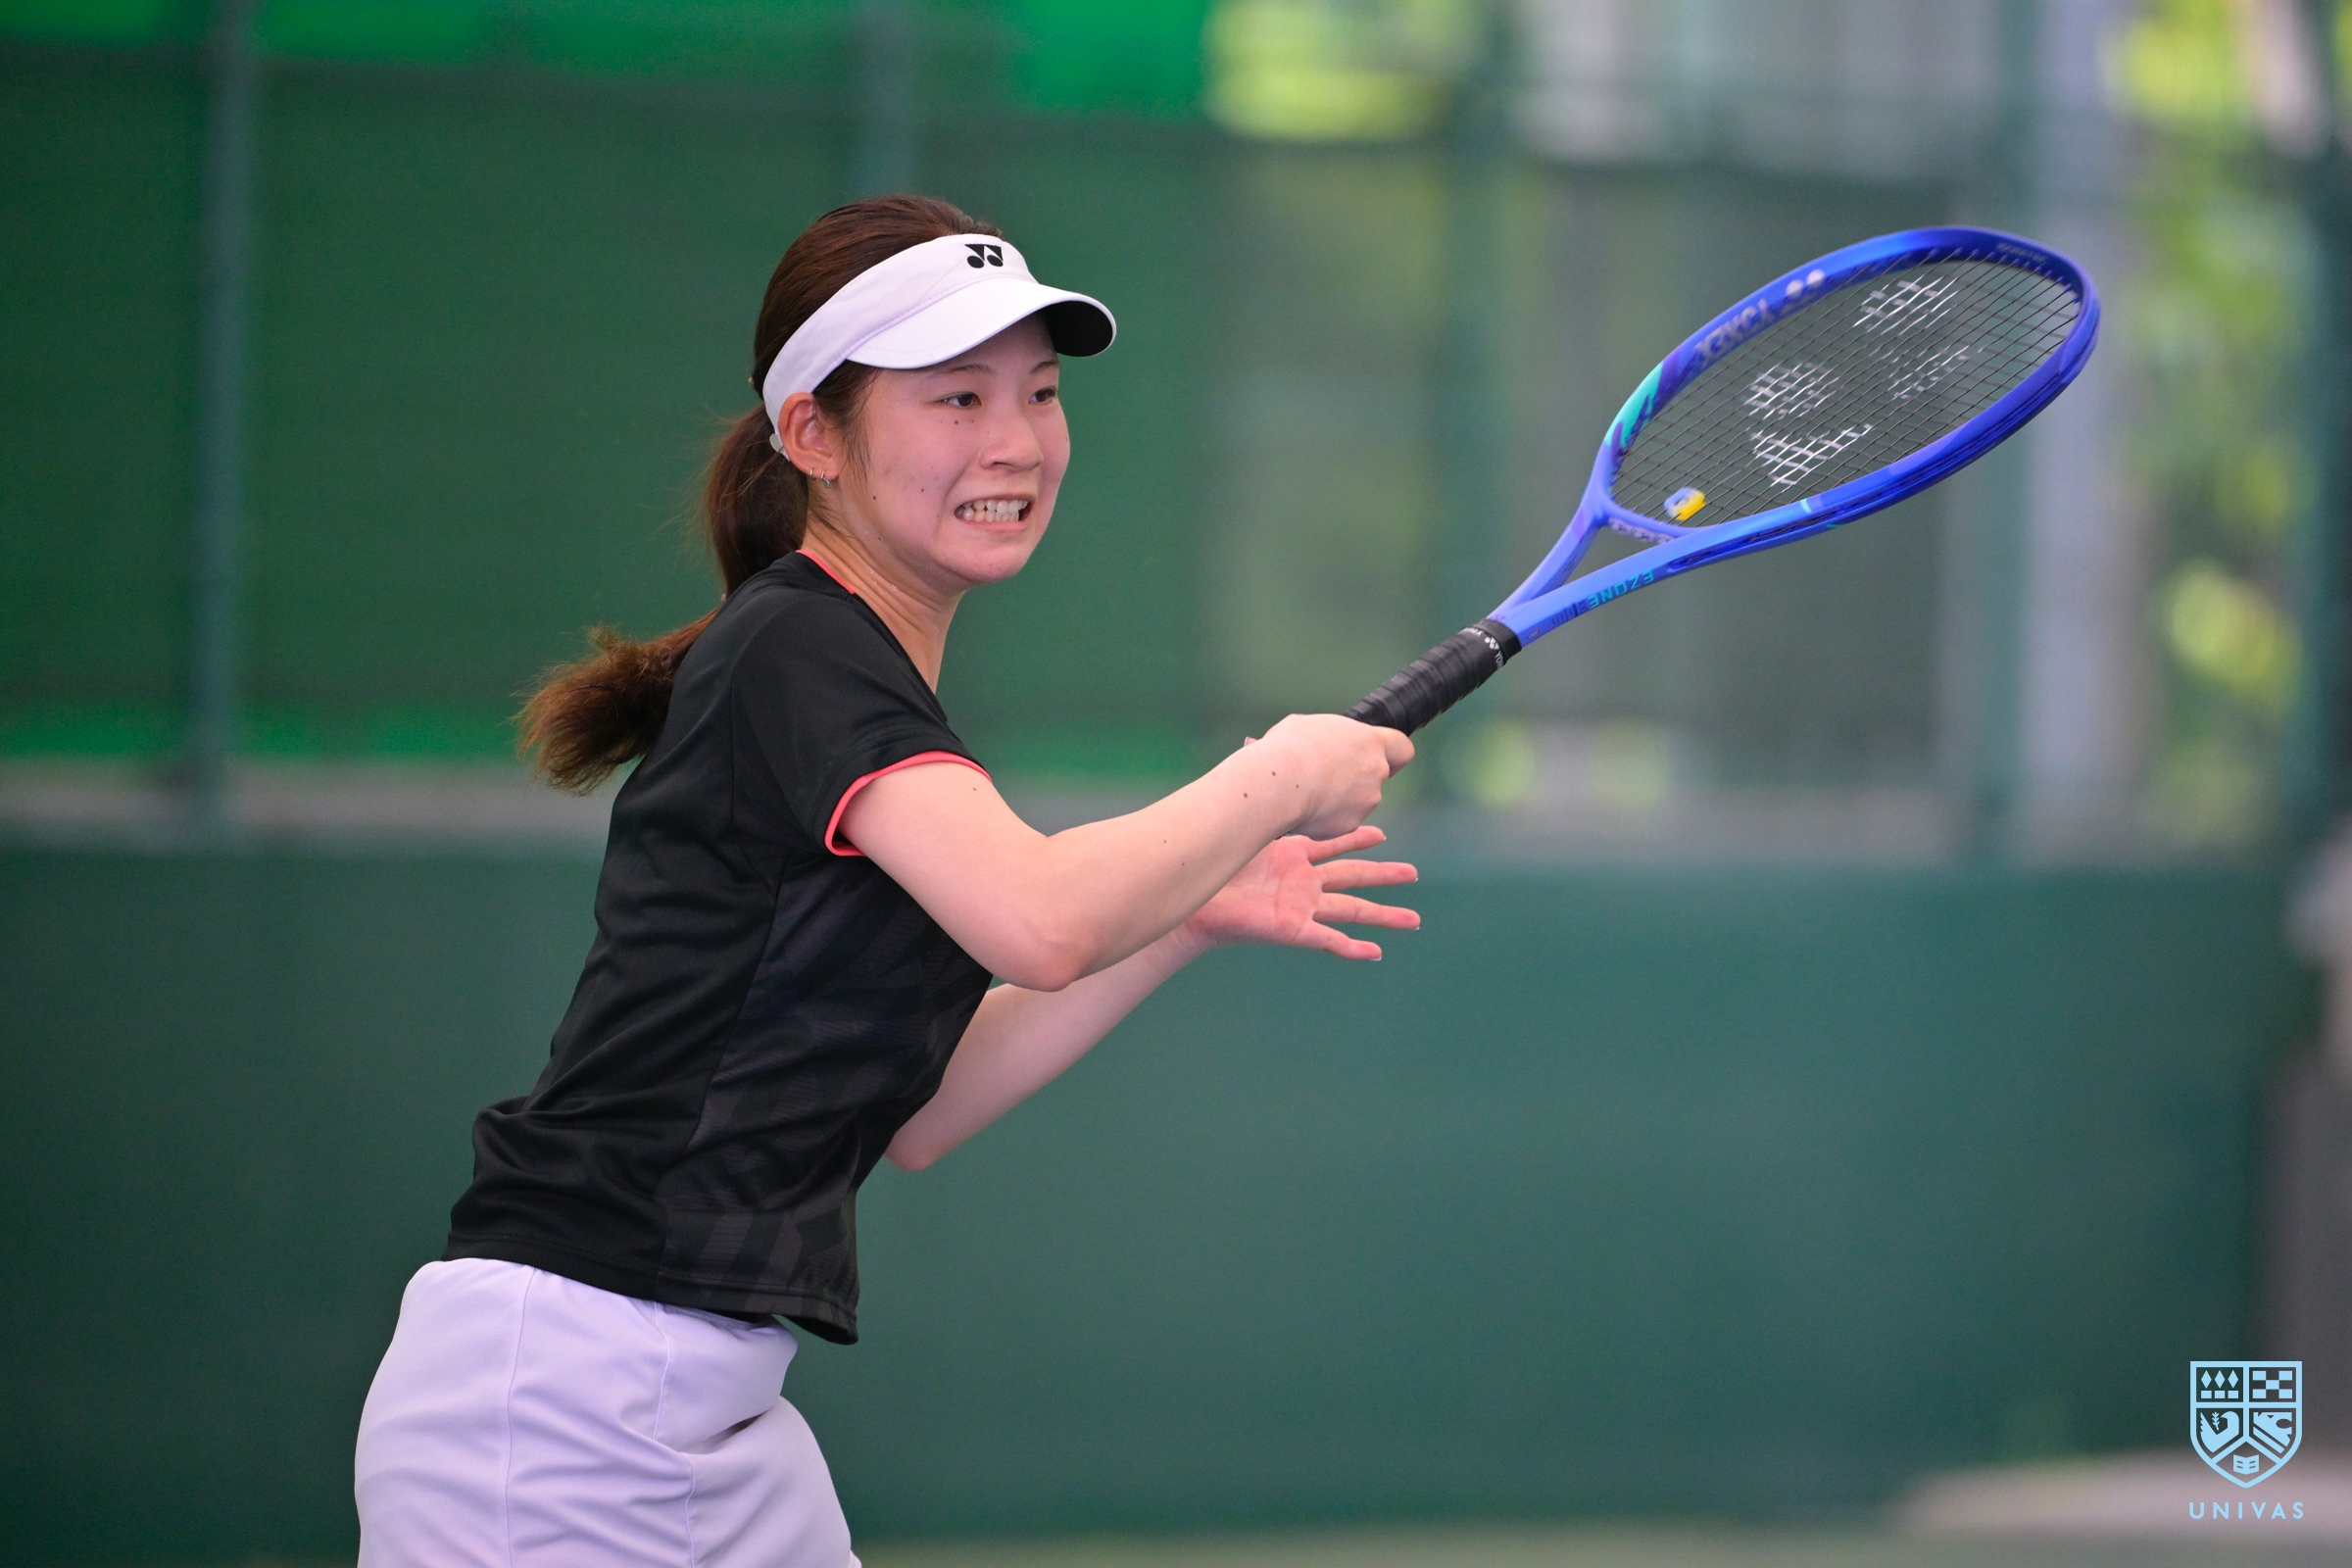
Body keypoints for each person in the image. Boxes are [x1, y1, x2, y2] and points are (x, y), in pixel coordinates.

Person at [352, 194, 1417, 1568]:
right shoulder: (799, 650)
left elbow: (917, 1106)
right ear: (813, 436)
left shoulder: (848, 683)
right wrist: (1281, 769)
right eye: (957, 396)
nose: (1016, 440)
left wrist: (1187, 918)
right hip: (559, 1403)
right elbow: (1042, 919)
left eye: (1039, 394)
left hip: (705, 1408)